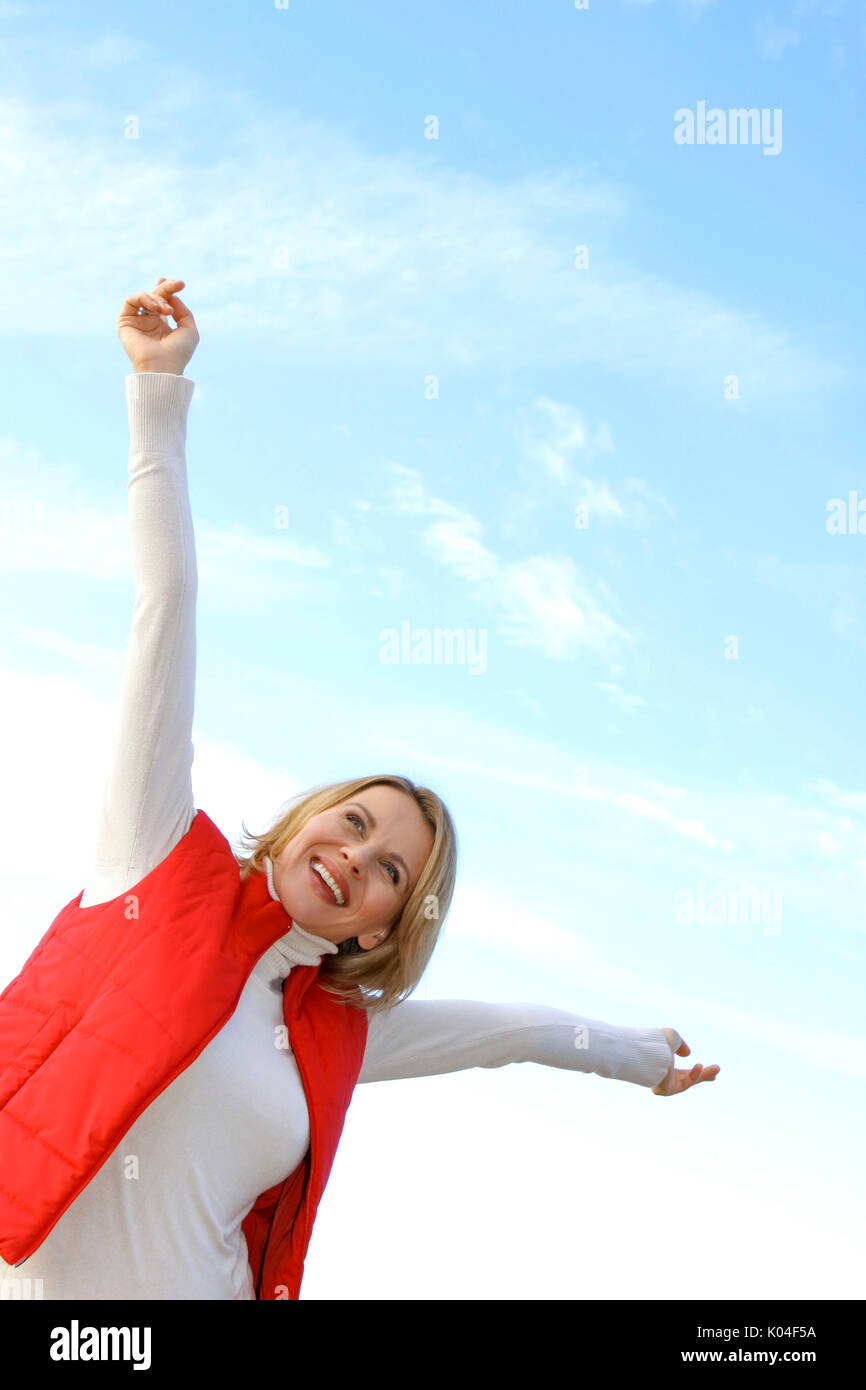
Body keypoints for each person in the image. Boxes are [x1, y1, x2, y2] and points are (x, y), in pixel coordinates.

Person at [0, 278, 719, 1302]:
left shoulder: (335, 1034)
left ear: (387, 922)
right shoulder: (152, 859)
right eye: (352, 822)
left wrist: (639, 1058)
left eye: (390, 869)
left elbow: (507, 1034)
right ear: (303, 821)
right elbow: (166, 602)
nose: (353, 857)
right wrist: (157, 391)